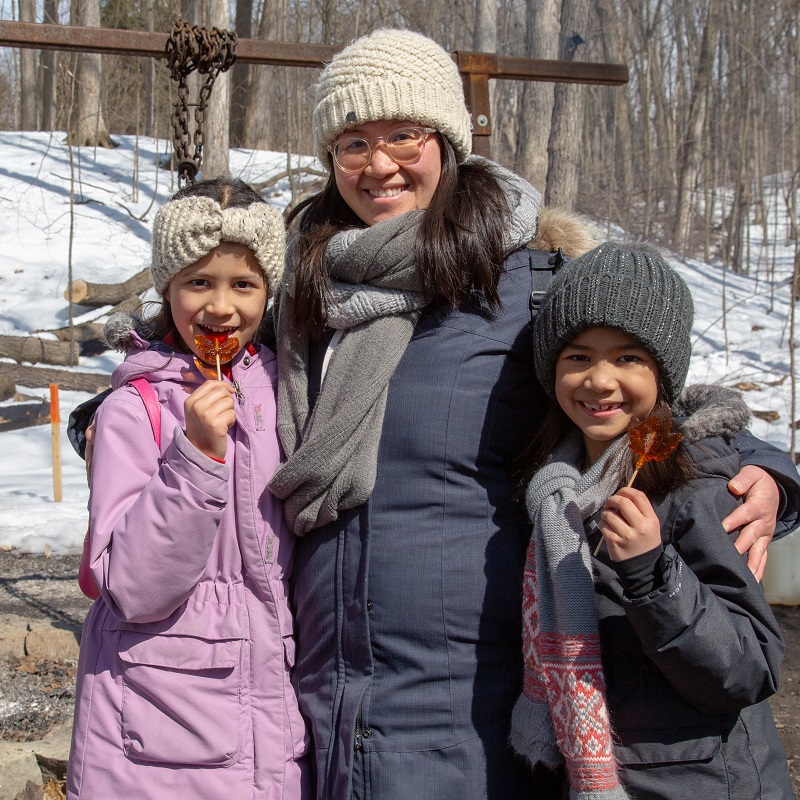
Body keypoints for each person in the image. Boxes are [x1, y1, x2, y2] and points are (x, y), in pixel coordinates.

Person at [265, 28, 800, 800]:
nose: (379, 164)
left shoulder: (530, 289)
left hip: (474, 725)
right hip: (321, 710)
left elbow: (650, 397)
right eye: (353, 141)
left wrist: (771, 470)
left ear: (445, 141)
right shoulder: (303, 296)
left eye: (403, 135)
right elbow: (190, 372)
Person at [510, 242, 793, 799]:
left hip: (705, 781)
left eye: (628, 358)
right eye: (578, 357)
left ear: (664, 372)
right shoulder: (551, 490)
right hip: (597, 775)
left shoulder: (701, 490)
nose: (600, 380)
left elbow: (749, 667)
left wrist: (653, 574)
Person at [66, 178, 310, 800]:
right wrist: (196, 455)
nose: (221, 307)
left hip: (273, 709)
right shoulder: (133, 409)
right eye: (198, 282)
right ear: (166, 288)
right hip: (155, 727)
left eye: (244, 285)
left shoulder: (286, 392)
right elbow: (131, 585)